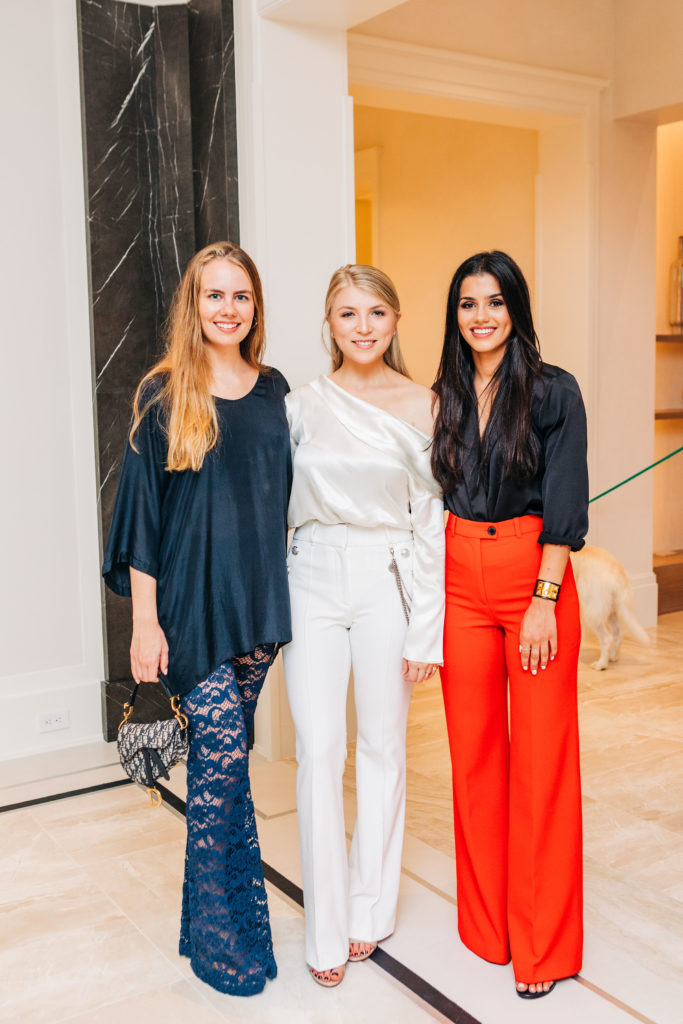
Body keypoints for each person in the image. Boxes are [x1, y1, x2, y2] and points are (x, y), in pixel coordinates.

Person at [102, 241, 292, 995]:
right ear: (193, 304)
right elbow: (141, 519)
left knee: (227, 765)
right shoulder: (163, 390)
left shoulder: (276, 390)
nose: (227, 308)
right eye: (214, 295)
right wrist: (143, 626)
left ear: (255, 306)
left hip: (256, 603)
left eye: (240, 295)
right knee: (221, 767)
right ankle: (224, 945)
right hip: (188, 605)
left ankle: (208, 923)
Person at [283, 264, 445, 987]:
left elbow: (431, 521)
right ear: (328, 323)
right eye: (347, 314)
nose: (362, 327)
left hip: (388, 578)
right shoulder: (299, 404)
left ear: (396, 319)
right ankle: (323, 925)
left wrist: (425, 631)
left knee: (382, 748)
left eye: (375, 312)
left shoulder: (424, 404)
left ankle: (368, 912)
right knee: (319, 751)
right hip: (311, 570)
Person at [432, 250, 588, 999]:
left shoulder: (554, 392)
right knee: (474, 762)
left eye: (494, 302)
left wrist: (544, 600)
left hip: (534, 577)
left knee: (540, 768)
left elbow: (564, 501)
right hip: (457, 578)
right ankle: (487, 929)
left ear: (516, 309)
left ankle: (543, 950)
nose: (481, 316)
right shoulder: (445, 395)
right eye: (467, 304)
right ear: (453, 315)